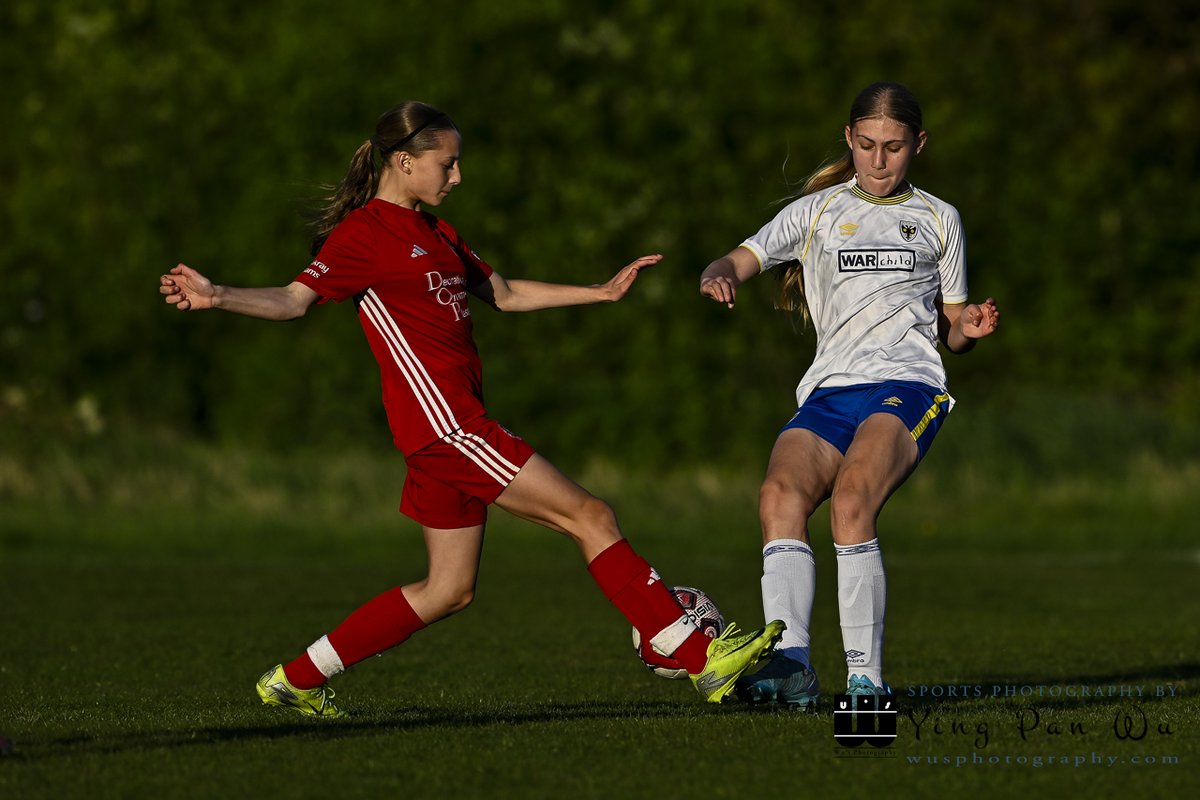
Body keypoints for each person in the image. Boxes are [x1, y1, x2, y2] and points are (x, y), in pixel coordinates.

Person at [160, 101, 784, 717]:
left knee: (448, 590)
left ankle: (294, 679)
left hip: (442, 430)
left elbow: (504, 293)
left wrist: (599, 292)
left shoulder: (438, 233)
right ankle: (697, 656)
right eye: (448, 163)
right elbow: (293, 300)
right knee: (591, 515)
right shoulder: (363, 234)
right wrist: (218, 295)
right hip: (446, 426)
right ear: (405, 162)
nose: (457, 176)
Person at [698, 83, 999, 710]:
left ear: (919, 144)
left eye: (894, 147)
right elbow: (739, 258)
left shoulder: (939, 218)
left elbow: (951, 326)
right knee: (779, 496)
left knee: (853, 500)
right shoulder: (817, 211)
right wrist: (719, 273)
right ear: (848, 139)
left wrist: (966, 330)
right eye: (866, 145)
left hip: (908, 385)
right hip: (831, 390)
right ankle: (792, 667)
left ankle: (866, 682)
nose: (878, 160)